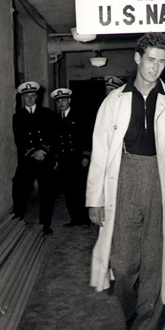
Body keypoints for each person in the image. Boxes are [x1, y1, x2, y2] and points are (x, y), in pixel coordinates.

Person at [86, 33, 165, 330]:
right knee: (123, 265)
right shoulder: (114, 101)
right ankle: (132, 315)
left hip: (163, 183)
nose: (155, 68)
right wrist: (95, 198)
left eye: (161, 62)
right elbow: (100, 152)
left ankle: (145, 326)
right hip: (124, 179)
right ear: (138, 58)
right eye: (150, 60)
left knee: (156, 262)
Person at [12, 81, 56, 235]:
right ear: (22, 98)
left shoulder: (47, 114)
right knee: (19, 187)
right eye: (26, 96)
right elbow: (19, 139)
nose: (29, 99)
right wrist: (33, 152)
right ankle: (18, 220)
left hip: (45, 157)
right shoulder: (18, 117)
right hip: (28, 158)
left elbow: (52, 135)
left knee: (46, 192)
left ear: (36, 96)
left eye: (32, 96)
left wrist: (43, 151)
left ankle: (45, 225)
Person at [51, 88, 91, 227]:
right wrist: (55, 159)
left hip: (78, 159)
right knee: (68, 190)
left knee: (80, 189)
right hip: (63, 159)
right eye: (58, 101)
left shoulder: (79, 116)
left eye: (63, 100)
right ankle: (74, 218)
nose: (61, 103)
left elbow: (87, 137)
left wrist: (86, 155)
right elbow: (55, 141)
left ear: (69, 100)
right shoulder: (56, 119)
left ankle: (85, 219)